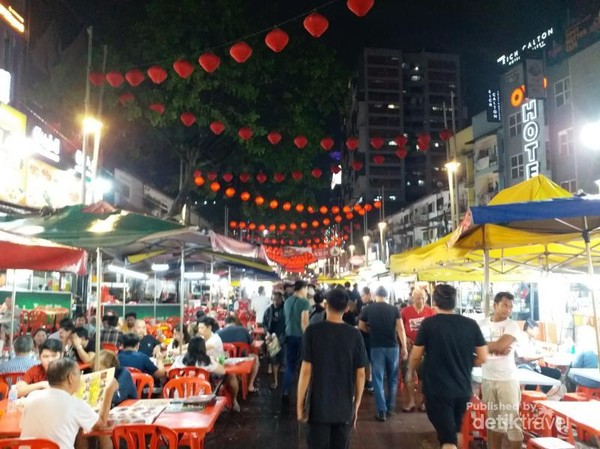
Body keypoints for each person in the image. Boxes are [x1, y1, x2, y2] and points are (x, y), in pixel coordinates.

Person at [408, 284, 488, 449]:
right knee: (455, 431)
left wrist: (410, 371)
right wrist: (464, 361)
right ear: (455, 301)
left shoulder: (428, 324)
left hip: (438, 390)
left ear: (434, 301)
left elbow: (416, 355)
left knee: (447, 439)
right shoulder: (471, 324)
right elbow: (483, 357)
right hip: (463, 390)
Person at [297, 288, 368, 449]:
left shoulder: (312, 331)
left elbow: (306, 371)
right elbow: (361, 374)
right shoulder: (355, 335)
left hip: (318, 407)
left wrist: (300, 406)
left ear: (325, 304)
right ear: (347, 308)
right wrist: (356, 405)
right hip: (344, 407)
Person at [20, 358, 119, 449]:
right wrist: (109, 391)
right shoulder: (75, 404)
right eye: (79, 374)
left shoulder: (32, 396)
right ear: (71, 378)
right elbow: (101, 425)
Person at [478, 292, 523, 449]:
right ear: (495, 305)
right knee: (493, 421)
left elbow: (500, 346)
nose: (508, 309)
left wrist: (485, 346)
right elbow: (473, 346)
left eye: (510, 307)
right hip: (488, 378)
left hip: (507, 379)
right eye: (504, 305)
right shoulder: (481, 323)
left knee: (512, 422)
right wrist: (494, 346)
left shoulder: (512, 325)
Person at [358, 286, 408, 421]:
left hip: (376, 347)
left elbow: (360, 326)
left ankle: (381, 411)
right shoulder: (394, 309)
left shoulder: (368, 309)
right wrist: (404, 347)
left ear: (375, 295)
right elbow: (401, 329)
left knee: (378, 379)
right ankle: (390, 406)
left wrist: (370, 331)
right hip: (393, 347)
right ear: (386, 296)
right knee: (392, 378)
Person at [171, 336, 240, 412]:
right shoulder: (206, 361)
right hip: (202, 397)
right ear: (203, 348)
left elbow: (170, 373)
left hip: (179, 396)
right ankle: (232, 402)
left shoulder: (179, 359)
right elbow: (223, 371)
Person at [401, 287, 436, 411]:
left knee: (423, 376)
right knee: (409, 373)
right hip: (411, 347)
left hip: (426, 348)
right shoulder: (405, 311)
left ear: (425, 299)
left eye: (421, 298)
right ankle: (411, 401)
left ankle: (421, 401)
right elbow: (400, 328)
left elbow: (434, 330)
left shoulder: (430, 312)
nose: (419, 300)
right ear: (412, 298)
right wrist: (405, 339)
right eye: (416, 298)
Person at [282, 280, 311, 404]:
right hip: (300, 337)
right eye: (306, 289)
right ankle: (303, 393)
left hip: (288, 336)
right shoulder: (305, 302)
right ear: (303, 288)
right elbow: (304, 322)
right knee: (304, 366)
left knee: (290, 365)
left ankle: (285, 391)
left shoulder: (287, 301)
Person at [515, 319, 561, 394]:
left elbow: (538, 349)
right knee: (532, 381)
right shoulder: (519, 339)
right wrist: (543, 355)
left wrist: (549, 352)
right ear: (529, 329)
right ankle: (529, 398)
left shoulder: (531, 340)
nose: (537, 332)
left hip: (533, 367)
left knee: (556, 373)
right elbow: (526, 358)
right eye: (536, 330)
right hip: (522, 367)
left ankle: (541, 394)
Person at [218, 315, 259, 392]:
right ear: (235, 322)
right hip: (243, 360)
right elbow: (253, 344)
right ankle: (250, 386)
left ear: (225, 323)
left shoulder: (218, 333)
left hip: (226, 360)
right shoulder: (243, 330)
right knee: (256, 358)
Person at [263, 291, 286, 390]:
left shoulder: (286, 309)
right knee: (274, 360)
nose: (276, 301)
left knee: (284, 360)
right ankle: (276, 381)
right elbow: (264, 323)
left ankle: (285, 383)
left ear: (281, 299)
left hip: (284, 337)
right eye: (274, 299)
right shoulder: (269, 310)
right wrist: (267, 332)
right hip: (272, 338)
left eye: (278, 299)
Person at [359, 287, 374, 392]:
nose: (361, 298)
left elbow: (363, 325)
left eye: (363, 295)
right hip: (367, 337)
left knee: (369, 360)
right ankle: (369, 381)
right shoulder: (365, 307)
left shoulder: (368, 308)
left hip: (368, 337)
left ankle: (369, 381)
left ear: (369, 294)